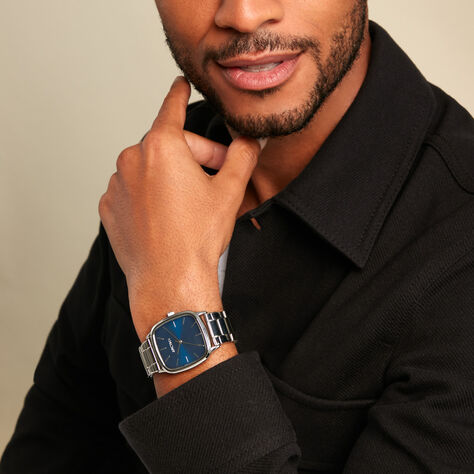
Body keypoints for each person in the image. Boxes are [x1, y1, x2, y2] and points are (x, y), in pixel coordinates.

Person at [1, 1, 473, 472]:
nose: (244, 14)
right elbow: (53, 442)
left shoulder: (459, 240)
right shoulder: (164, 168)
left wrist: (175, 306)